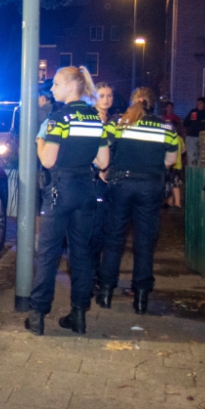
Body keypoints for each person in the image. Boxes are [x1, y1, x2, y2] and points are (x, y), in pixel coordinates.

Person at [26, 66, 110, 336]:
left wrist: (38, 141)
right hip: (86, 191)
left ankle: (38, 314)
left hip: (59, 191)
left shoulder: (58, 118)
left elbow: (48, 160)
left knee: (49, 253)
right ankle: (78, 315)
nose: (52, 89)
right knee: (81, 254)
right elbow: (103, 162)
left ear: (72, 86)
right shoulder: (97, 120)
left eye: (56, 84)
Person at [96, 87, 179, 314]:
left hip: (121, 184)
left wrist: (105, 170)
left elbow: (103, 147)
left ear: (134, 102)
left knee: (114, 240)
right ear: (154, 104)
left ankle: (105, 293)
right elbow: (171, 160)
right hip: (150, 187)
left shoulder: (118, 123)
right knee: (144, 243)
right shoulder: (166, 127)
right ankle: (141, 299)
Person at [88, 82, 115, 287]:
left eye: (109, 96)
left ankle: (100, 273)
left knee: (107, 228)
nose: (106, 100)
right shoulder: (91, 119)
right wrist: (100, 168)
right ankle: (93, 274)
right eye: (102, 96)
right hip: (94, 179)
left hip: (111, 181)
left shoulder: (114, 121)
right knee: (95, 228)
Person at [161, 102, 184, 209]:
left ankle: (177, 203)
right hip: (177, 164)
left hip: (173, 165)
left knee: (174, 184)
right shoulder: (180, 139)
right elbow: (184, 150)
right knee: (172, 184)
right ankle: (170, 201)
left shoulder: (171, 138)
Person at [183, 97, 205, 166]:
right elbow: (185, 123)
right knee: (192, 157)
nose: (198, 105)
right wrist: (190, 119)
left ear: (204, 104)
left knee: (203, 157)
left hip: (204, 138)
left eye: (200, 103)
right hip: (192, 136)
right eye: (197, 103)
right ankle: (192, 174)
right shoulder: (193, 112)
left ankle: (200, 174)